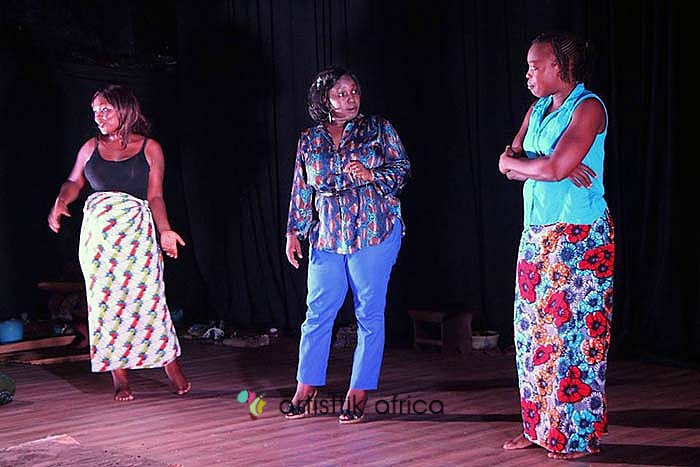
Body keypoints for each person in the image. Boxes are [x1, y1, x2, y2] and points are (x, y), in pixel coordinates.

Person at [498, 32, 614, 459]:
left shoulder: (588, 107)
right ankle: (539, 428)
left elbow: (553, 167)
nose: (528, 74)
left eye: (535, 66)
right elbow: (508, 160)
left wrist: (540, 167)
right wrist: (534, 165)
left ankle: (576, 436)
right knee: (532, 335)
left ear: (560, 67)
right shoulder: (537, 109)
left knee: (573, 337)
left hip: (578, 236)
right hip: (536, 232)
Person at [47, 84, 191, 402]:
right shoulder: (90, 147)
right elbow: (73, 181)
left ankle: (170, 365)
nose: (98, 117)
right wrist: (61, 201)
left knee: (150, 299)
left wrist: (165, 230)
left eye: (105, 110)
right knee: (105, 304)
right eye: (95, 112)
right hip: (99, 238)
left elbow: (155, 196)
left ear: (124, 109)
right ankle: (119, 375)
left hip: (136, 233)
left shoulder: (150, 148)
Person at [283, 66, 410, 424]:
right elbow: (301, 187)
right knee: (318, 310)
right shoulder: (309, 139)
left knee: (368, 312)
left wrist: (373, 175)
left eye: (354, 91)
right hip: (327, 235)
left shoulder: (378, 128)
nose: (350, 99)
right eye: (341, 94)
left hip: (373, 230)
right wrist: (293, 232)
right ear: (324, 99)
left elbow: (402, 168)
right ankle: (306, 385)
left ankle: (359, 390)